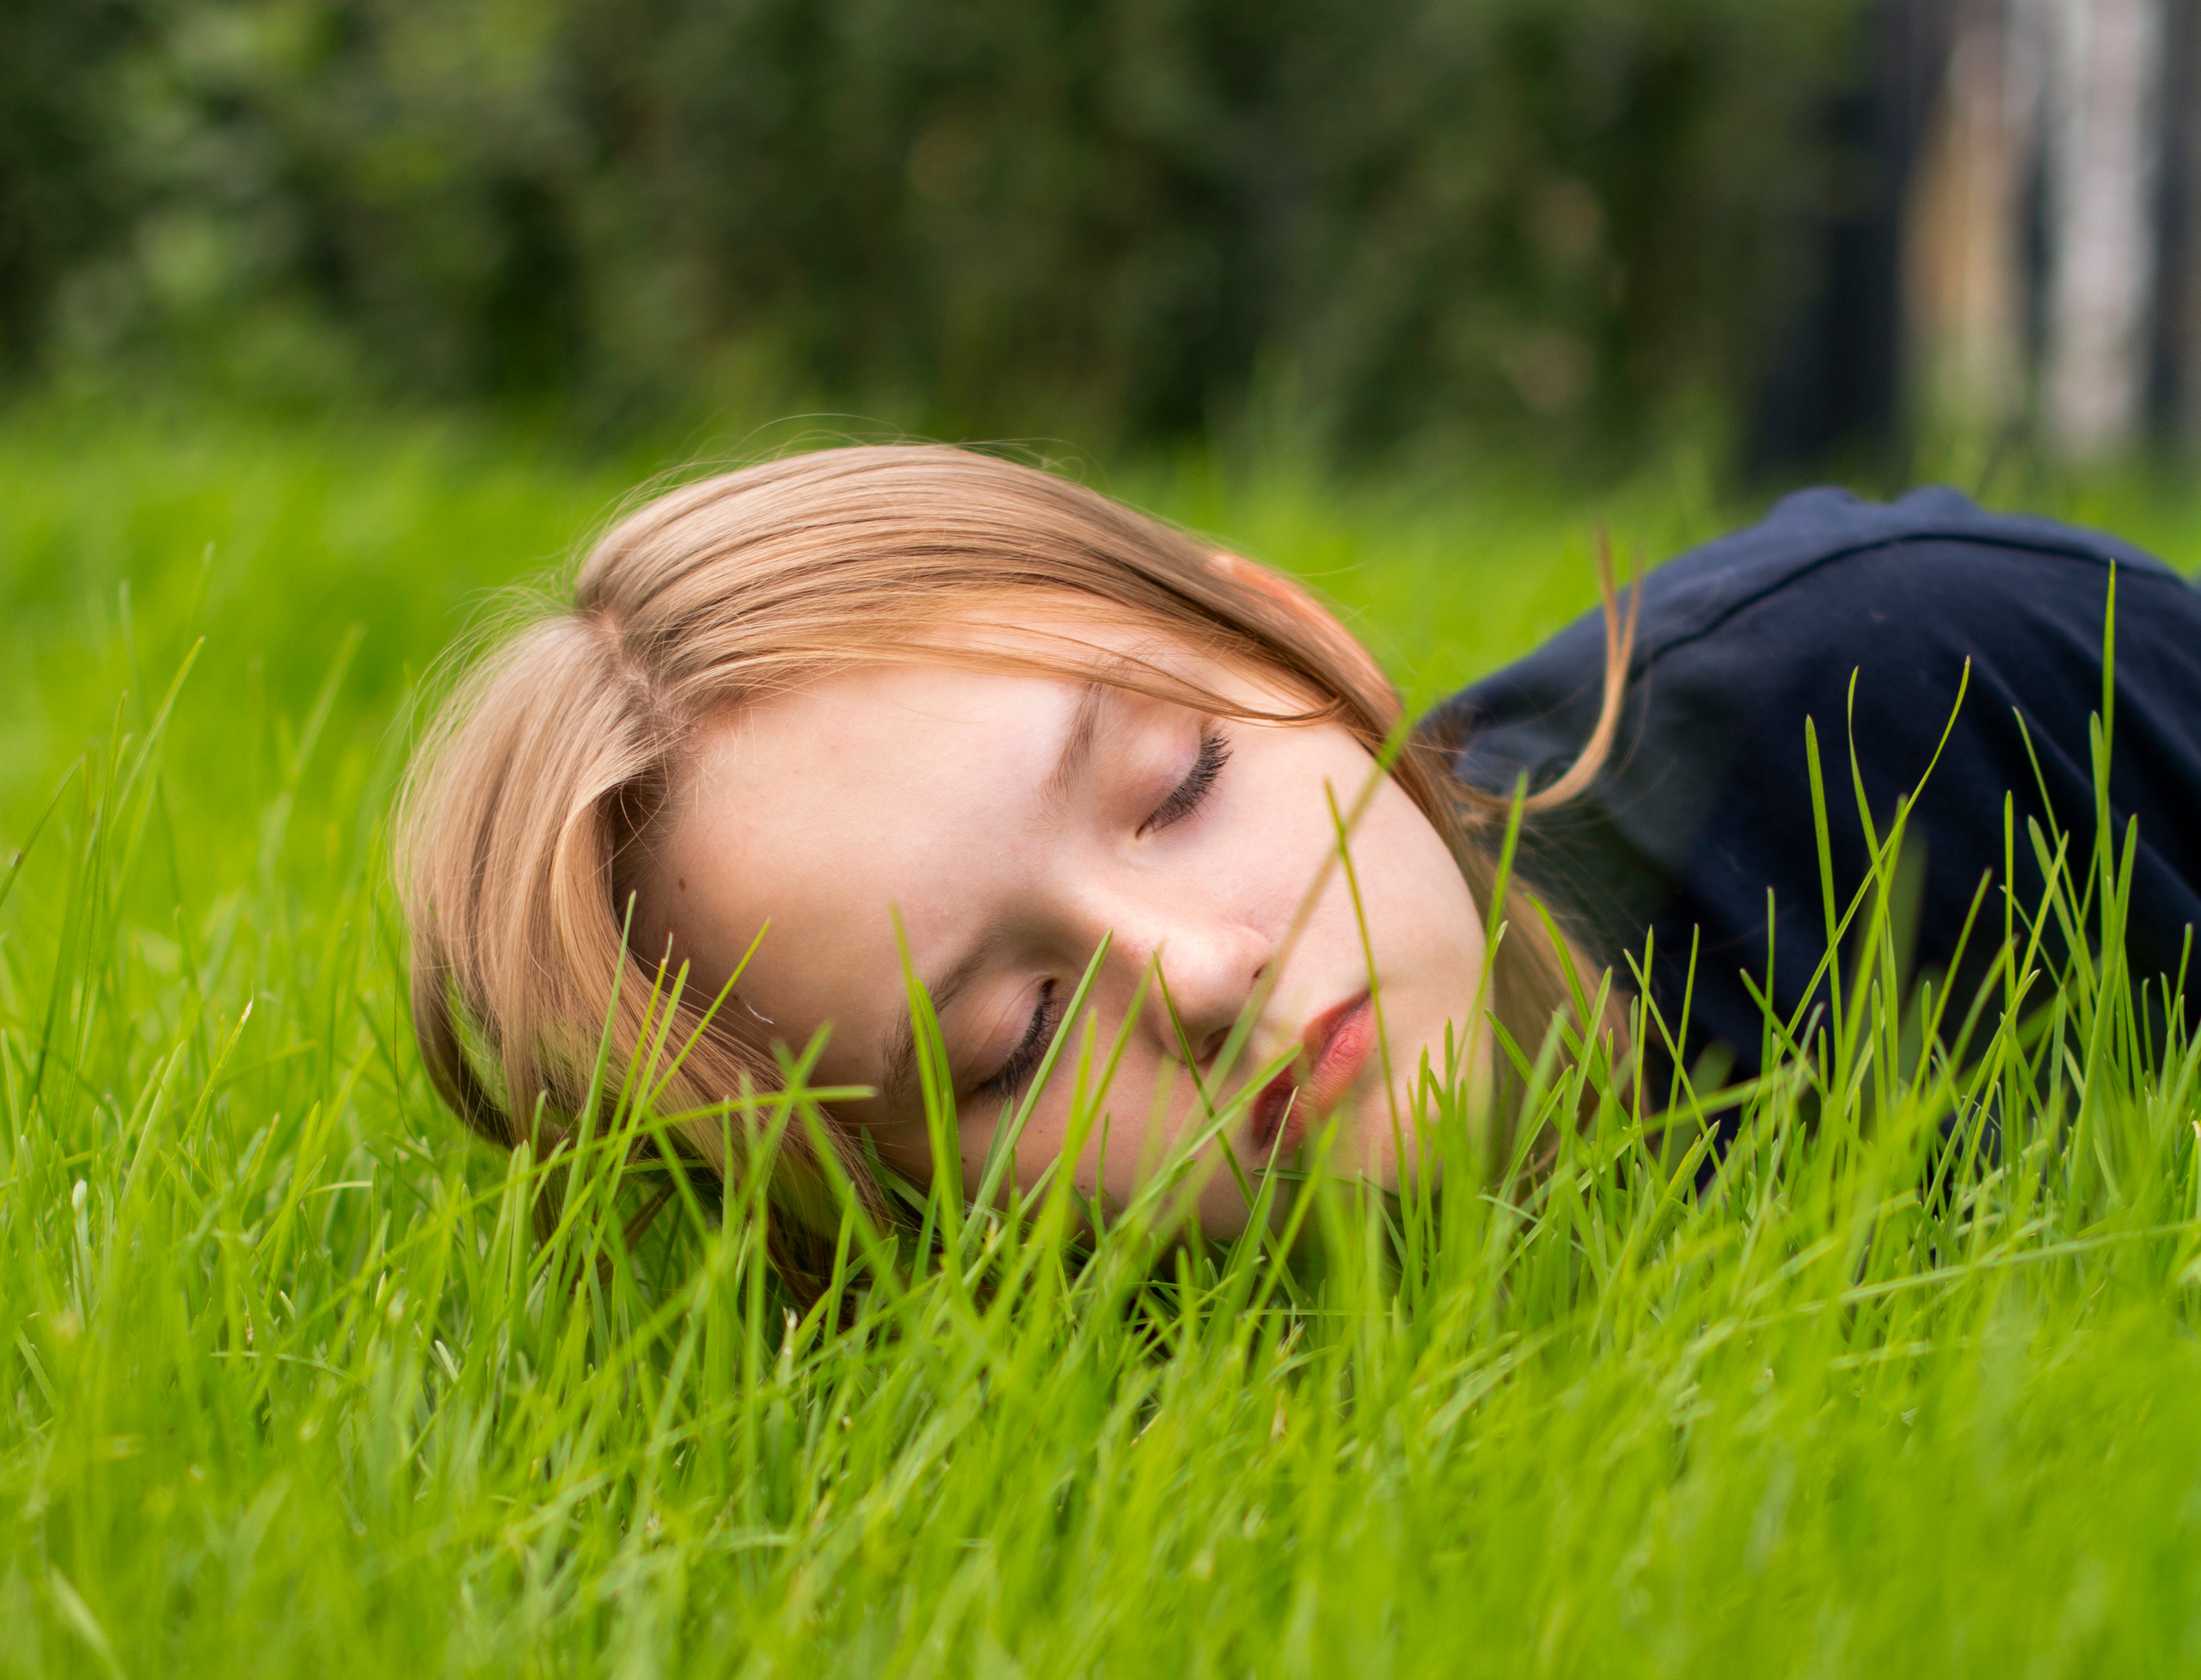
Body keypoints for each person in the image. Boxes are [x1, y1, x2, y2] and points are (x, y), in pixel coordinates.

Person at [396, 446, 2201, 1248]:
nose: (1194, 979)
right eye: (1003, 1046)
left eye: (1176, 786)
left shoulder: (1919, 681)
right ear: (894, 1206)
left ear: (1299, 655)